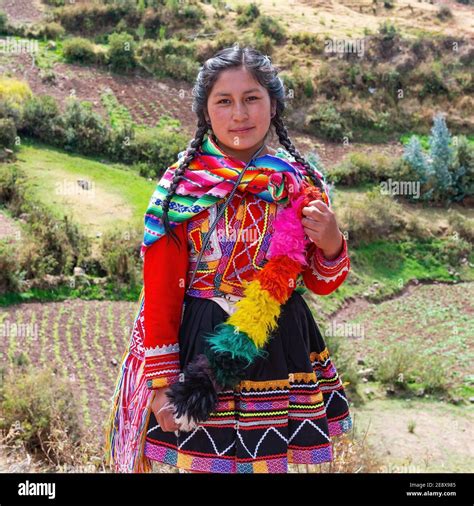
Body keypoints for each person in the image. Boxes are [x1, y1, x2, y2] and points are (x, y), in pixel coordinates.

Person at [105, 45, 352, 474]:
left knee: (268, 464)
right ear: (206, 111)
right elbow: (161, 288)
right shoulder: (182, 186)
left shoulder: (300, 183)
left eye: (252, 98)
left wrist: (331, 242)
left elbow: (321, 281)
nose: (240, 113)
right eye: (224, 101)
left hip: (276, 343)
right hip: (201, 343)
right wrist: (162, 383)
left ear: (273, 105)